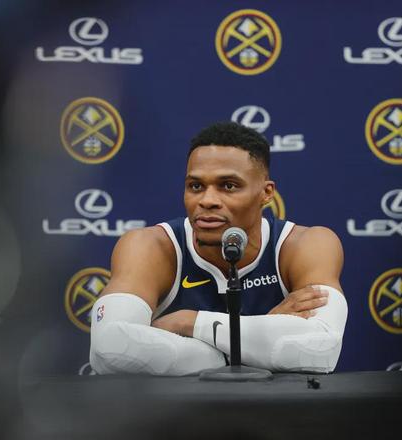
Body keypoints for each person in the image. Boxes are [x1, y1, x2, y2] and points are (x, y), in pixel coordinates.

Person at [89, 122, 348, 375]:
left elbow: (320, 350)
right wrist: (249, 345)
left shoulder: (307, 244)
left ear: (266, 193)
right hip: (175, 406)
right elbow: (111, 348)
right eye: (196, 186)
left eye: (228, 186)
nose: (207, 200)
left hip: (270, 406)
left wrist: (188, 322)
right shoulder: (150, 246)